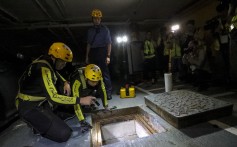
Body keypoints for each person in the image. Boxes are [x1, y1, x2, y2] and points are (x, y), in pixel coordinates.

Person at [15, 42, 96, 143]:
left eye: (65, 62)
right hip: (29, 107)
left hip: (41, 103)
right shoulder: (43, 69)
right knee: (64, 134)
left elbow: (55, 73)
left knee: (63, 90)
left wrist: (65, 82)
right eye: (62, 62)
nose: (64, 65)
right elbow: (53, 97)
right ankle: (35, 126)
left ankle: (53, 113)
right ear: (54, 57)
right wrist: (81, 100)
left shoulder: (46, 62)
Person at [85, 9, 112, 100]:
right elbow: (89, 44)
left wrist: (108, 56)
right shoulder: (90, 31)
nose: (97, 20)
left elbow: (109, 43)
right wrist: (87, 56)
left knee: (104, 73)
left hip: (102, 51)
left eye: (98, 18)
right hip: (93, 52)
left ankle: (108, 93)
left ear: (100, 19)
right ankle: (94, 93)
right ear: (92, 19)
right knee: (93, 73)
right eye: (95, 18)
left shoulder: (105, 29)